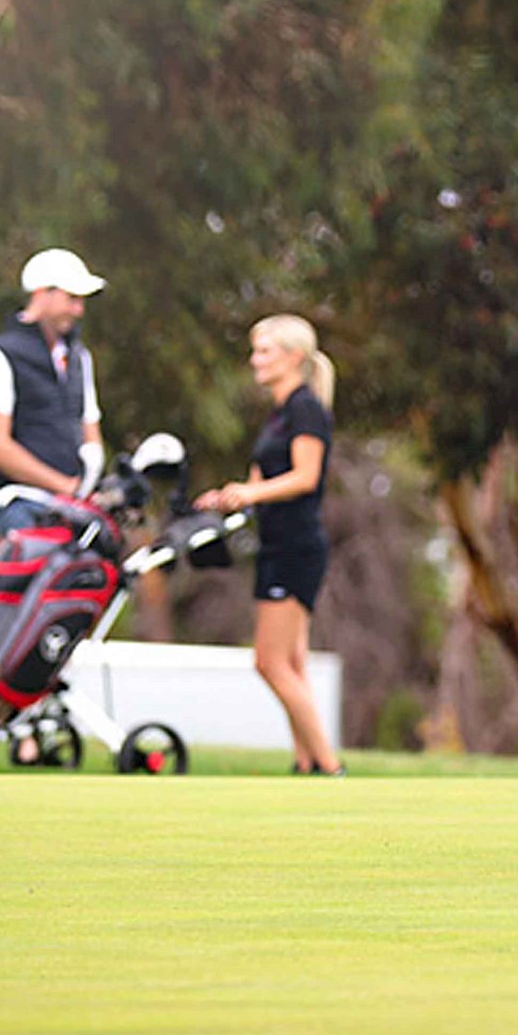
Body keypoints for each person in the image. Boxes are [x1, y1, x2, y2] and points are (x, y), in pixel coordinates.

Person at [195, 314, 345, 777]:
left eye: (265, 351)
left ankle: (329, 765)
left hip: (296, 547)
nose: (255, 359)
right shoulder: (281, 414)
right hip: (276, 543)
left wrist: (253, 493)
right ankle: (306, 765)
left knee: (270, 662)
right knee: (292, 661)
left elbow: (305, 477)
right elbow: (263, 480)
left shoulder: (306, 409)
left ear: (293, 357)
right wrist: (229, 496)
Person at [0, 248, 108, 536]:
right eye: (71, 298)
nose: (78, 310)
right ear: (42, 293)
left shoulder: (80, 357)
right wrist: (66, 486)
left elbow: (89, 428)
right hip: (20, 504)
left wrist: (88, 481)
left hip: (73, 506)